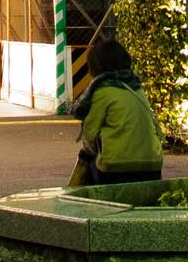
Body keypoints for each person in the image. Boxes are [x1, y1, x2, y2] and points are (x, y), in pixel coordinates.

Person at [66, 29, 163, 189]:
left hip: (116, 169)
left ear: (95, 65)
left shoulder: (102, 91)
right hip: (153, 166)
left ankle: (81, 200)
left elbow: (90, 135)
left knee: (87, 159)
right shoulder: (137, 88)